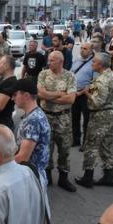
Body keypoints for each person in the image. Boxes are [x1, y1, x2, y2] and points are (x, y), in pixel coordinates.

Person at [76, 53, 113, 188]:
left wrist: (86, 93)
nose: (92, 64)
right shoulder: (112, 75)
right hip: (112, 113)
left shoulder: (101, 80)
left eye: (94, 62)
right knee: (106, 145)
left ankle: (87, 177)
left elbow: (97, 102)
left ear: (101, 65)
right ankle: (109, 176)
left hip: (100, 115)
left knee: (91, 145)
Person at [37, 51, 77, 192]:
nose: (49, 63)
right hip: (46, 116)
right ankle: (47, 176)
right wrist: (60, 94)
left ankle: (63, 178)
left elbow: (71, 99)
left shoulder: (69, 76)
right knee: (46, 147)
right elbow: (40, 93)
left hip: (63, 118)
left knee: (64, 148)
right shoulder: (43, 74)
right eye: (49, 60)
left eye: (52, 60)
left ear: (60, 61)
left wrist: (48, 96)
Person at [13, 78, 51, 184]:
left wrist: (0, 166)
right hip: (32, 174)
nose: (13, 98)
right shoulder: (35, 114)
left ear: (26, 96)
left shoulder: (33, 120)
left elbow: (23, 157)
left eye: (15, 94)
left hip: (30, 177)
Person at [71, 42, 95, 147]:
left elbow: (95, 83)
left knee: (87, 120)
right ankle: (76, 140)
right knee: (74, 118)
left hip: (86, 95)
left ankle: (86, 142)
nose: (82, 50)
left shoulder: (94, 63)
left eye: (85, 48)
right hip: (74, 94)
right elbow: (71, 75)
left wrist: (81, 92)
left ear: (90, 51)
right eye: (81, 48)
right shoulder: (76, 60)